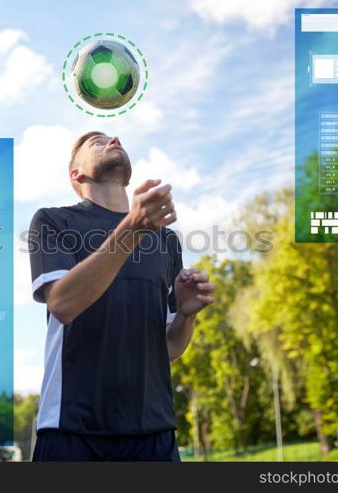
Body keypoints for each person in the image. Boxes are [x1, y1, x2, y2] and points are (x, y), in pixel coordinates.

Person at [28, 131, 215, 461]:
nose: (113, 138)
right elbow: (63, 304)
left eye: (113, 138)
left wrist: (187, 315)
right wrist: (133, 229)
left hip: (153, 431)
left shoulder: (166, 240)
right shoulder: (53, 220)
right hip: (72, 427)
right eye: (96, 142)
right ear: (77, 173)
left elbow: (169, 347)